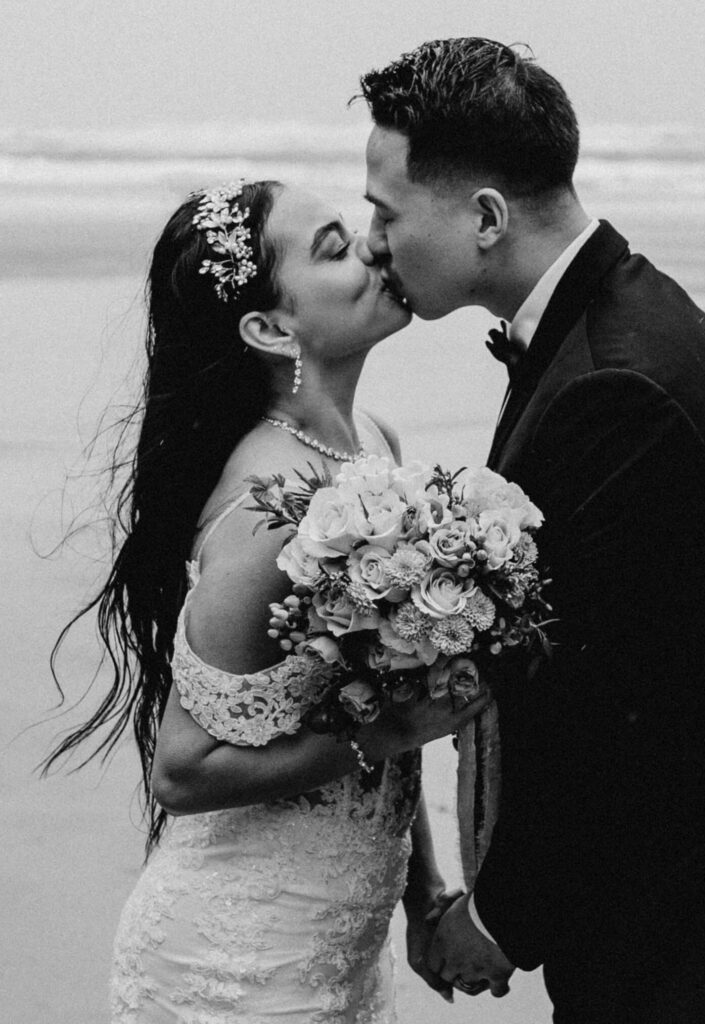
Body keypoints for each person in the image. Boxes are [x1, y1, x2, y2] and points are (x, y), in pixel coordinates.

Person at [359, 37, 705, 1022]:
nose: (374, 243)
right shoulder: (608, 321)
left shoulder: (615, 381)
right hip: (700, 889)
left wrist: (499, 916)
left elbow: (605, 712)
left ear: (485, 217)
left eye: (385, 213)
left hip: (692, 917)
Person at [44, 179, 489, 1022]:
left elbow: (379, 683)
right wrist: (399, 729)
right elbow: (182, 769)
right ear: (270, 327)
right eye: (332, 246)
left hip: (337, 948)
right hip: (239, 966)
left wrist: (423, 897)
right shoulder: (265, 506)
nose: (372, 248)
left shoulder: (373, 445)